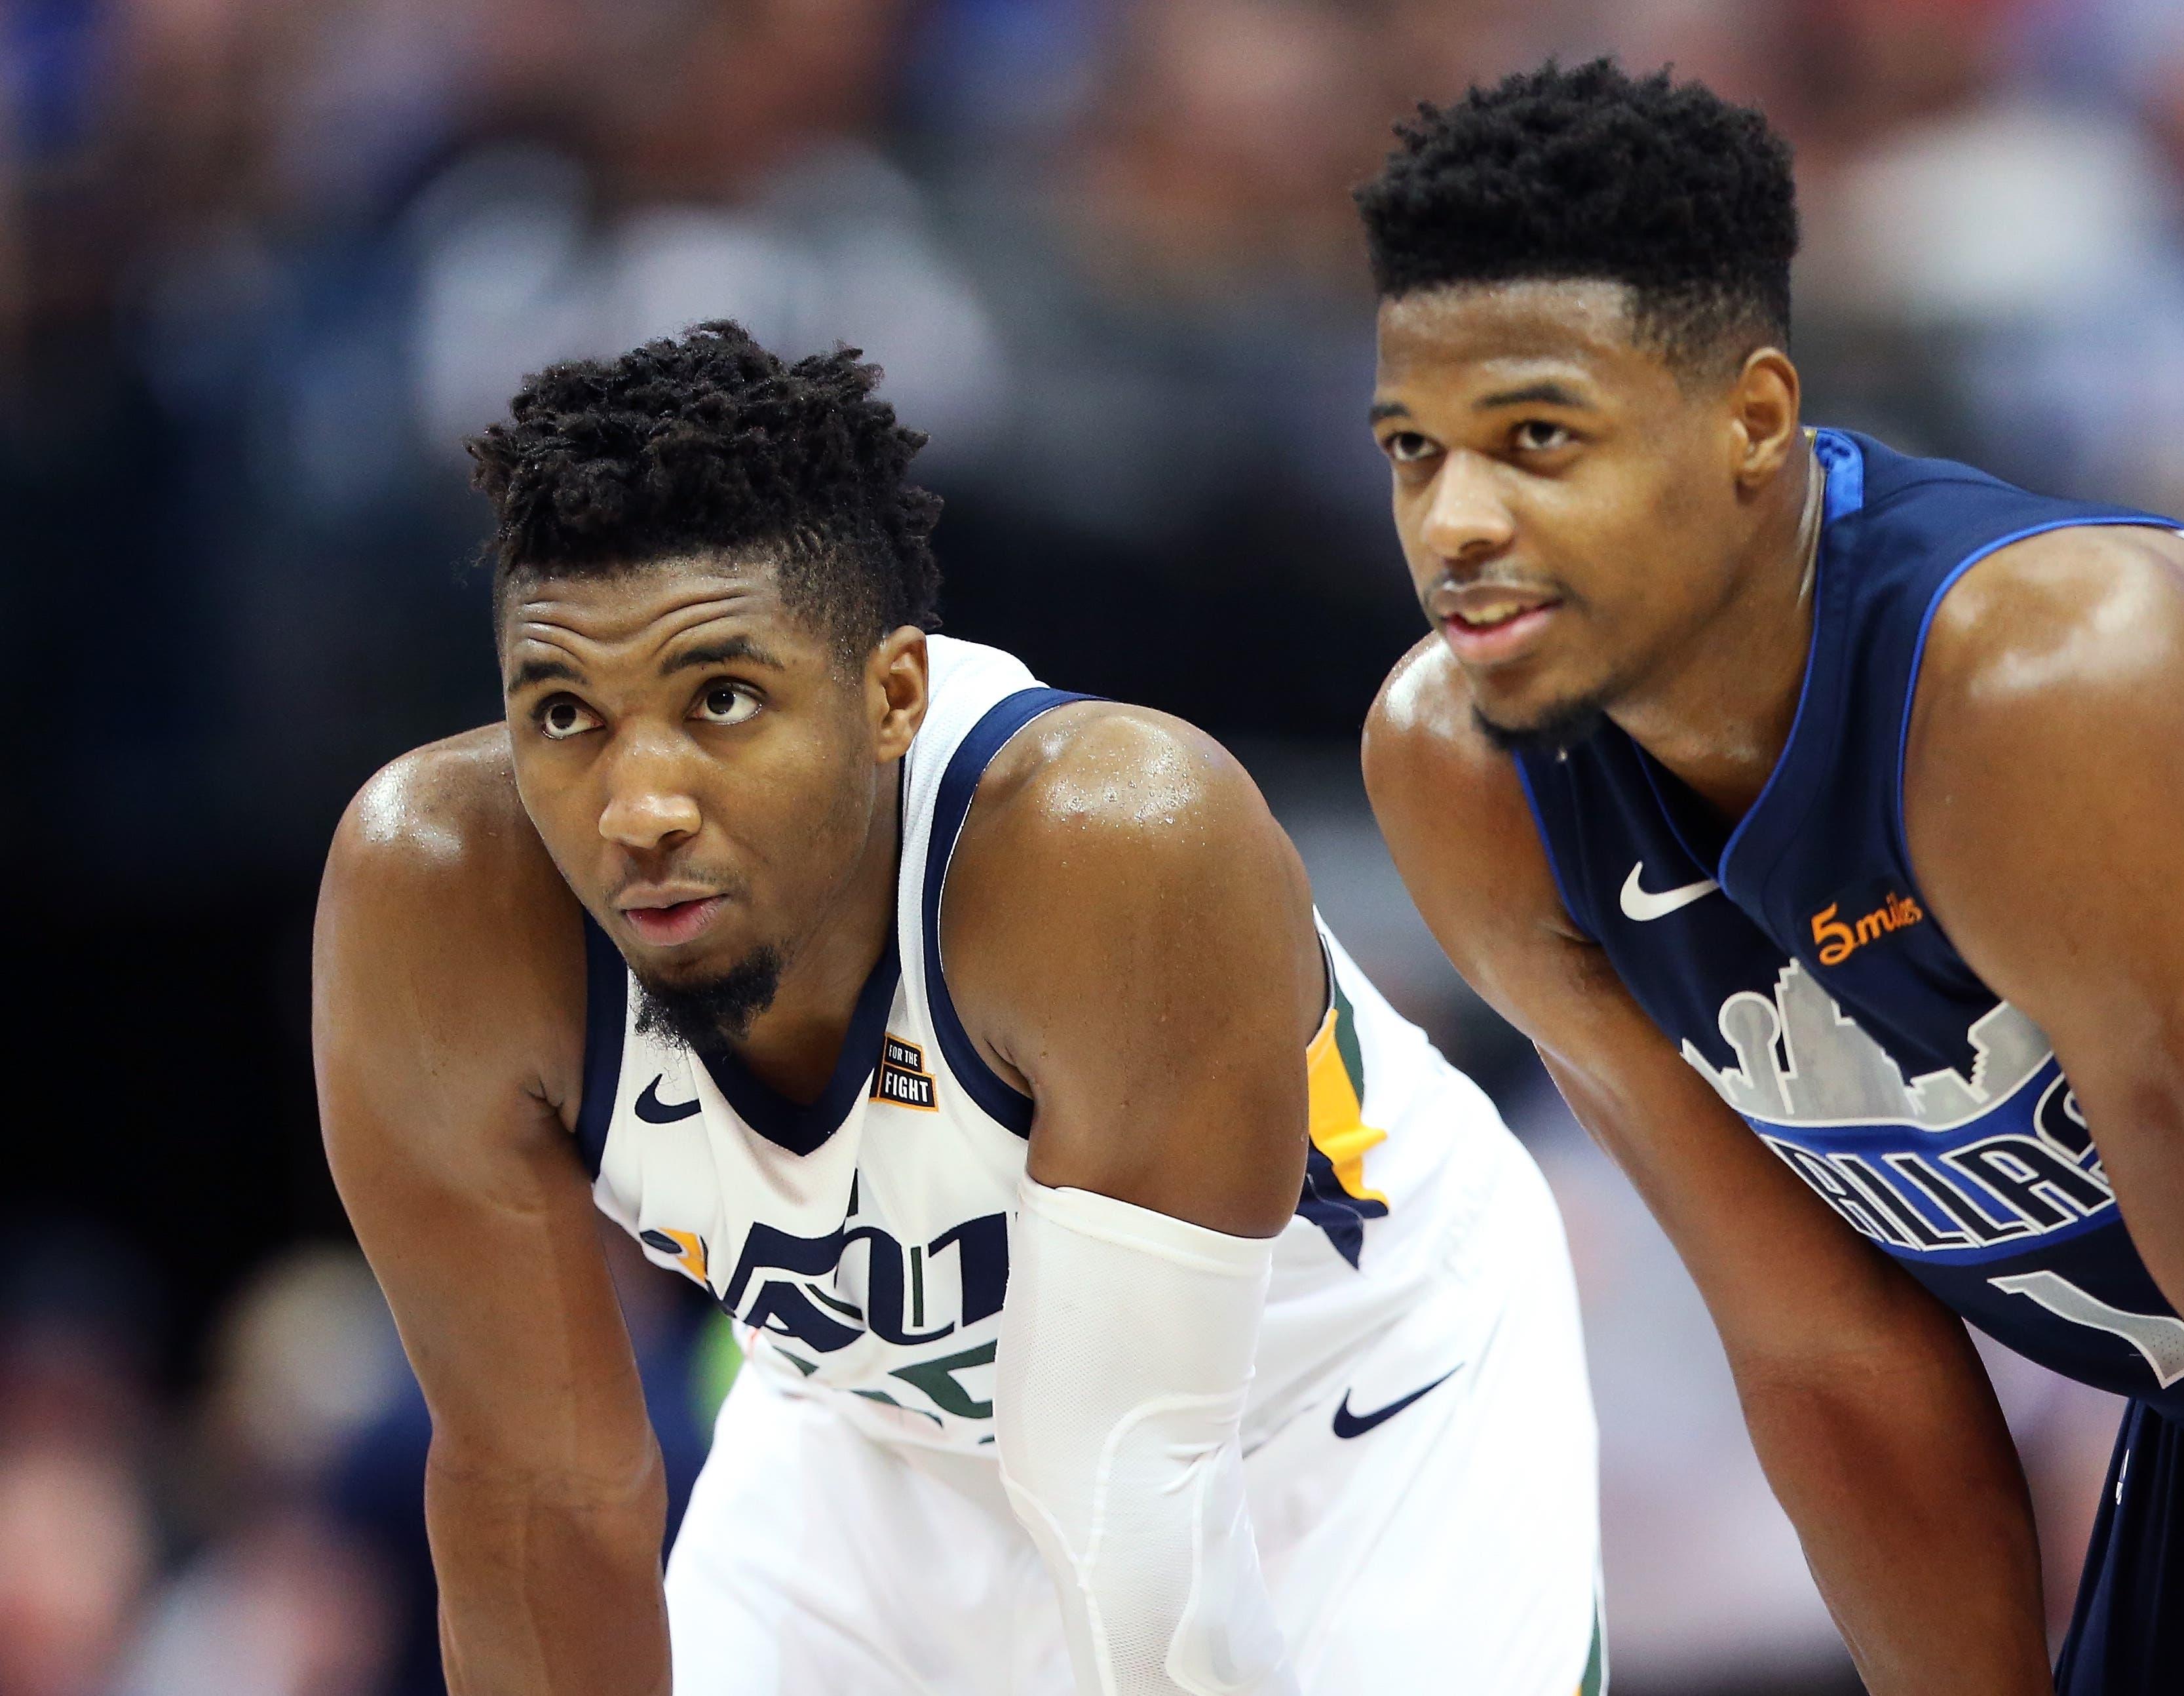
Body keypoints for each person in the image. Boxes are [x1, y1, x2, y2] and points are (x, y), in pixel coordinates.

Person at [1354, 58, 2184, 1695]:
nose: (1458, 520)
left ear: (1754, 418)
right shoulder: (1462, 774)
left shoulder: (2038, 685)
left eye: (1539, 439)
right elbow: (1833, 1354)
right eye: (1415, 449)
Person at [310, 322, 1603, 1696]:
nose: (639, 811)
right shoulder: (438, 901)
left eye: (724, 699)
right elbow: (543, 1497)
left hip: (1333, 1410)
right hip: (879, 1443)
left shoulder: (1110, 850)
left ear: (893, 695)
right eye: (566, 714)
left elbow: (1137, 1502)